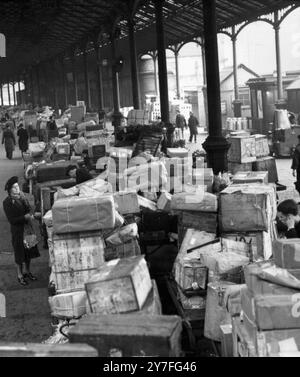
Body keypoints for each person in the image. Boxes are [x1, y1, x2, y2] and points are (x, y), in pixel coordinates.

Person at [3, 177, 38, 286]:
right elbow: (12, 220)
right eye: (14, 188)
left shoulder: (22, 197)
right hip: (18, 232)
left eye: (18, 187)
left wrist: (24, 200)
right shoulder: (7, 202)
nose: (17, 189)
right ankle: (20, 275)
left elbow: (29, 210)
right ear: (9, 190)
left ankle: (27, 271)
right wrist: (24, 217)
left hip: (28, 230)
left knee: (29, 252)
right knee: (19, 254)